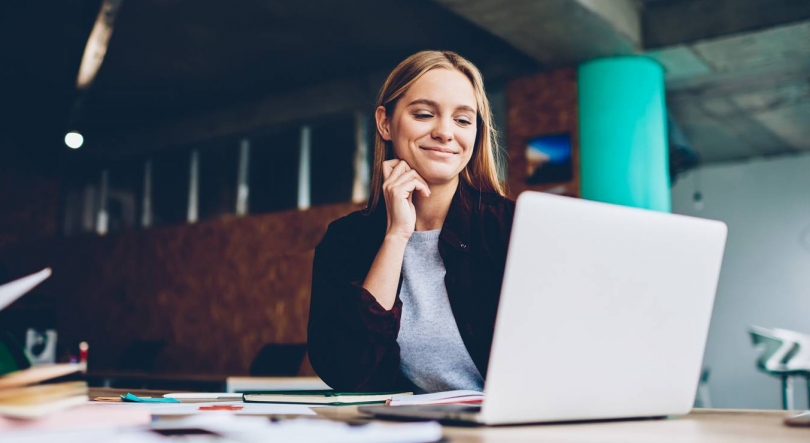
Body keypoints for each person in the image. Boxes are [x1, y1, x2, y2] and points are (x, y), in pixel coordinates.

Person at [307, 50, 515, 393]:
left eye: (463, 120)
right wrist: (396, 235)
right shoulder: (347, 239)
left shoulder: (510, 227)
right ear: (385, 123)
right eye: (423, 114)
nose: (445, 132)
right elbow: (346, 369)